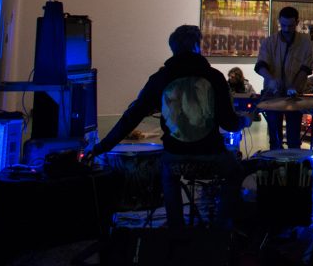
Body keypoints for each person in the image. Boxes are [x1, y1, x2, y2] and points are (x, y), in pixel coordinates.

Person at [90, 25, 249, 228]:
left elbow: (131, 117)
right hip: (211, 154)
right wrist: (245, 120)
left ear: (173, 48)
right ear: (196, 46)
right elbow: (229, 123)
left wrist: (101, 147)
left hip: (175, 155)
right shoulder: (215, 77)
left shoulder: (160, 78)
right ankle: (221, 227)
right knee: (236, 171)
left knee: (168, 174)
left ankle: (176, 228)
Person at [255, 6, 313, 150]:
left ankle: (293, 162)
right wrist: (271, 80)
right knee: (275, 141)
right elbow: (260, 65)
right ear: (279, 22)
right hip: (273, 96)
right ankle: (276, 162)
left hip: (294, 97)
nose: (287, 29)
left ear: (297, 23)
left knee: (294, 140)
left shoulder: (305, 42)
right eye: (284, 25)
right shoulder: (269, 42)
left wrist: (294, 86)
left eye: (291, 26)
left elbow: (306, 68)